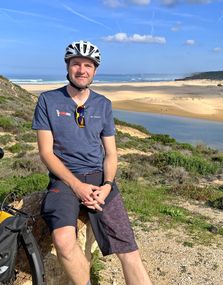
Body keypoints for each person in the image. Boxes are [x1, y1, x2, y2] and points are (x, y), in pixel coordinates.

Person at [32, 40, 152, 285]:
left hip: (99, 178)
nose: (82, 70)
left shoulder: (103, 104)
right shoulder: (47, 101)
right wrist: (77, 186)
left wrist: (107, 185)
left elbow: (110, 153)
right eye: (76, 64)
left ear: (95, 70)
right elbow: (46, 153)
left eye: (88, 65)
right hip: (64, 180)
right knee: (64, 241)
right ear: (68, 66)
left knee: (129, 250)